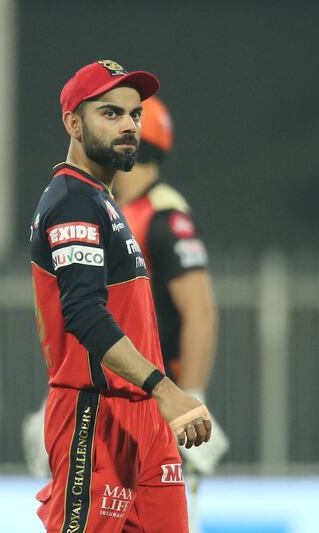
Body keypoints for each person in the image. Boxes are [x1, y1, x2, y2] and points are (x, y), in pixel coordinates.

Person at [29, 59, 211, 533]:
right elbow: (84, 313)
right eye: (110, 113)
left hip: (143, 418)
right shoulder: (73, 200)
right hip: (97, 413)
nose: (129, 125)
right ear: (73, 123)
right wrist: (166, 389)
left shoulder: (102, 200)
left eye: (134, 115)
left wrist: (159, 399)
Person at [115, 96, 229, 480]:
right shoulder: (122, 210)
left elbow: (200, 312)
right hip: (122, 397)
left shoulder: (164, 217)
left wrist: (193, 399)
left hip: (159, 399)